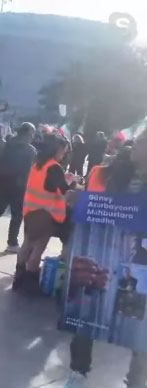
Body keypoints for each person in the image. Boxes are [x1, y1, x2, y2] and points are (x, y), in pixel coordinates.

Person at [64, 134, 147, 388]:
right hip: (106, 254)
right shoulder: (116, 171)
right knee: (87, 313)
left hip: (141, 264)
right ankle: (78, 371)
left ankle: (136, 380)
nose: (137, 144)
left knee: (139, 326)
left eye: (143, 141)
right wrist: (78, 198)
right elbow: (102, 204)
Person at [15, 134, 73, 294]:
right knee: (38, 250)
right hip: (45, 215)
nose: (64, 154)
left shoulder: (38, 165)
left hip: (30, 212)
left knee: (27, 244)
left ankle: (18, 279)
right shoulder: (54, 167)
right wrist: (72, 183)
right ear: (57, 149)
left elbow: (44, 186)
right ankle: (30, 284)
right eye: (64, 151)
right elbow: (64, 191)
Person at [0, 123, 37, 253]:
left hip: (3, 182)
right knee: (17, 215)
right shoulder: (30, 150)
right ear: (28, 133)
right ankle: (12, 242)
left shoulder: (7, 145)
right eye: (32, 133)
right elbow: (29, 171)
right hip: (19, 185)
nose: (33, 136)